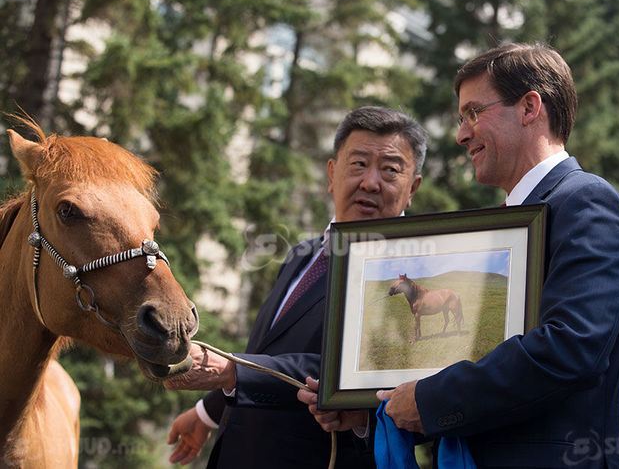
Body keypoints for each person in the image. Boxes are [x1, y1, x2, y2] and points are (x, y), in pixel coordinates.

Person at [302, 43, 619, 469]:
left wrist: (429, 400)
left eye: (474, 113)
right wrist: (378, 409)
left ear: (529, 108)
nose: (462, 134)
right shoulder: (510, 224)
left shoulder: (587, 202)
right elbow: (486, 380)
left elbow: (570, 349)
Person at [162, 106, 425, 468]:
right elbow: (271, 350)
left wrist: (232, 370)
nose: (370, 182)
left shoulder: (409, 275)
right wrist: (208, 412)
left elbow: (352, 370)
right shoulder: (303, 254)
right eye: (359, 164)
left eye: (390, 170)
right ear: (332, 174)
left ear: (413, 189)